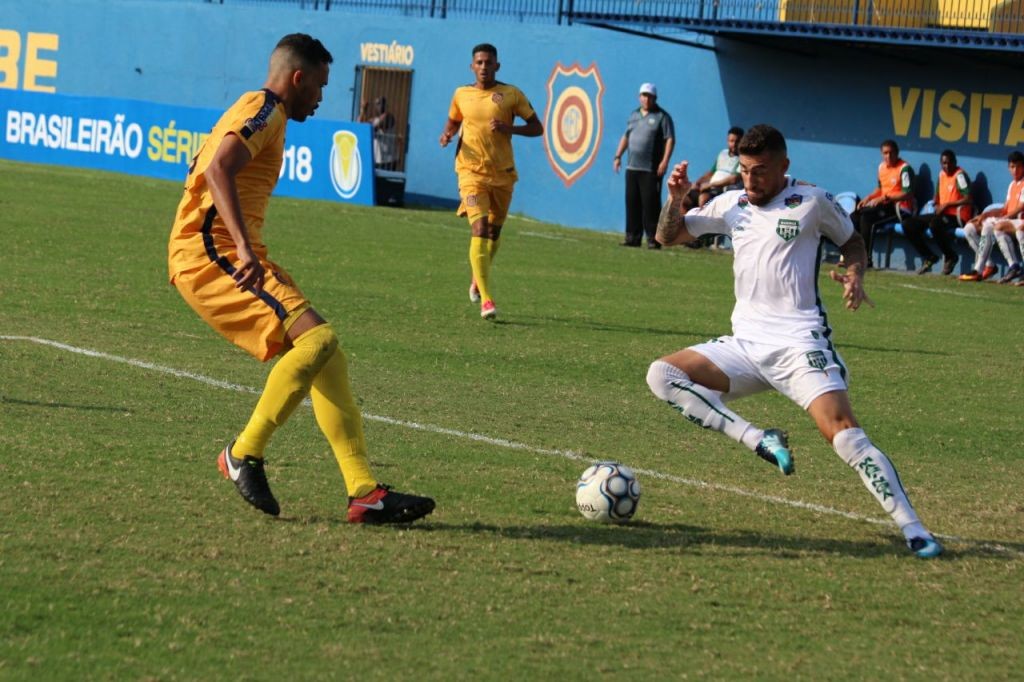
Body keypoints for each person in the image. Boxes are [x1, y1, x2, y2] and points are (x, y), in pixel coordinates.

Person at [167, 34, 434, 523]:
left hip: (223, 251)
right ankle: (243, 453)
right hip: (210, 254)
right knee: (318, 342)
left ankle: (364, 493)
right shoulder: (265, 109)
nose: (321, 96)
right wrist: (243, 247)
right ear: (299, 78)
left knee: (328, 356)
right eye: (320, 85)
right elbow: (219, 170)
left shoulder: (265, 111)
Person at [647, 124, 943, 559]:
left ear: (784, 166)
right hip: (745, 347)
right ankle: (759, 439)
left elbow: (853, 242)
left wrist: (855, 272)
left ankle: (913, 528)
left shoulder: (811, 201)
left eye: (761, 170)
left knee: (844, 435)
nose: (751, 180)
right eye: (745, 170)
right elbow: (666, 236)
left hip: (799, 345)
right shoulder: (731, 204)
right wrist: (675, 199)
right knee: (662, 374)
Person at [439, 43, 543, 320]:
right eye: (479, 62)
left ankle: (477, 277)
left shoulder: (511, 94)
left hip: (503, 175)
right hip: (471, 172)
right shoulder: (461, 94)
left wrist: (511, 128)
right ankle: (486, 299)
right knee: (480, 229)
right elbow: (453, 121)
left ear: (497, 65)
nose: (484, 67)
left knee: (494, 234)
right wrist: (447, 134)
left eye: (489, 62)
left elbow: (538, 128)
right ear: (472, 66)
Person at [612, 83, 675, 249]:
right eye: (643, 95)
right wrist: (618, 156)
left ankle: (654, 239)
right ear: (639, 97)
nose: (646, 99)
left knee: (651, 205)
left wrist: (665, 160)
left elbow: (669, 139)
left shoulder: (662, 117)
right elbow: (626, 136)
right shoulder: (634, 115)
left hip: (651, 169)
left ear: (655, 98)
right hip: (632, 167)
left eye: (649, 96)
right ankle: (632, 237)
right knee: (632, 203)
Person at [901, 149, 972, 275]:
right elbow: (938, 196)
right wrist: (934, 203)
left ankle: (950, 256)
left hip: (956, 216)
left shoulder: (959, 175)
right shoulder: (941, 175)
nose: (947, 166)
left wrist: (947, 204)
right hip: (941, 214)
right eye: (944, 163)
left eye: (950, 163)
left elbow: (968, 198)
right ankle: (928, 257)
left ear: (955, 162)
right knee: (908, 224)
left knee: (935, 224)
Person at [848, 139, 916, 268]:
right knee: (855, 216)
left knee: (867, 218)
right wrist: (869, 197)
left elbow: (908, 193)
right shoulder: (881, 167)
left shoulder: (904, 169)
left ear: (897, 153)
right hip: (884, 204)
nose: (888, 156)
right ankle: (851, 255)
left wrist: (885, 197)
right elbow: (880, 188)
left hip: (899, 208)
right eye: (885, 153)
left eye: (891, 153)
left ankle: (865, 258)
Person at [959, 150, 1024, 282]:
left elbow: (1020, 208)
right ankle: (986, 266)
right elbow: (1005, 208)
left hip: (1019, 221)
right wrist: (985, 215)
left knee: (992, 226)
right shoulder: (1012, 185)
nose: (1015, 170)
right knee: (969, 228)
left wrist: (1003, 218)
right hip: (1009, 222)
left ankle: (1012, 266)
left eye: (1018, 166)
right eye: (1012, 167)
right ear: (1008, 168)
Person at [686, 126, 744, 209]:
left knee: (703, 199)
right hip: (709, 187)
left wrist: (710, 185)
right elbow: (711, 172)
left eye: (737, 141)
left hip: (723, 190)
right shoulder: (722, 153)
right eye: (731, 141)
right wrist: (698, 182)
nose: (734, 144)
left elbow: (734, 179)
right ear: (727, 141)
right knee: (685, 200)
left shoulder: (743, 158)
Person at [359, 95, 398, 170]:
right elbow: (360, 127)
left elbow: (372, 128)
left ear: (385, 105)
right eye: (377, 104)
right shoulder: (375, 119)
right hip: (377, 160)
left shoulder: (389, 117)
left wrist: (366, 125)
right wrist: (363, 110)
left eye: (381, 103)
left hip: (389, 160)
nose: (379, 106)